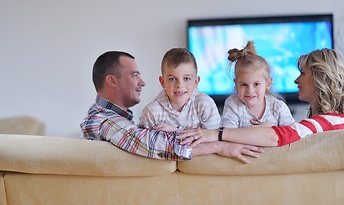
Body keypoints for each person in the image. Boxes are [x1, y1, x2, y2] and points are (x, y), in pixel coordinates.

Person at [80, 51, 263, 163]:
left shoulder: (109, 117)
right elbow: (152, 144)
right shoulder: (105, 121)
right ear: (112, 81)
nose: (142, 82)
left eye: (186, 79)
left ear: (196, 81)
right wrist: (219, 147)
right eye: (135, 75)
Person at [178, 48, 344, 147]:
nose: (296, 80)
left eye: (302, 73)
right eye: (243, 84)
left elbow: (277, 137)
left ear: (320, 79)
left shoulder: (327, 122)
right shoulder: (333, 120)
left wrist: (216, 134)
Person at [139, 48, 220, 131]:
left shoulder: (205, 104)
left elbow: (214, 140)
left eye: (186, 78)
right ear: (162, 82)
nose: (179, 85)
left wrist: (176, 131)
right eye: (172, 79)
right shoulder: (152, 112)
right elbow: (143, 142)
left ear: (196, 82)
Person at [222, 41, 295, 128]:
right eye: (244, 85)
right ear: (236, 83)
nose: (250, 91)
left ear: (268, 84)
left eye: (256, 84)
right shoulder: (233, 104)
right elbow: (227, 135)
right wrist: (257, 131)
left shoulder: (278, 108)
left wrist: (272, 130)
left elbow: (292, 134)